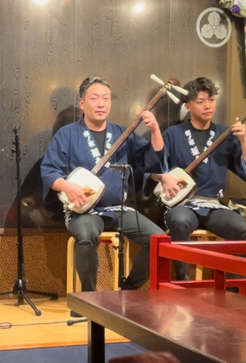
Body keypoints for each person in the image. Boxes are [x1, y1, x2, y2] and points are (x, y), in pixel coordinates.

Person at [40, 75, 166, 305]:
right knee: (86, 236)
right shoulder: (67, 134)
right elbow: (49, 172)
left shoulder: (123, 133)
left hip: (118, 209)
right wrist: (67, 187)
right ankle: (90, 298)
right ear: (81, 103)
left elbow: (150, 162)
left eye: (106, 98)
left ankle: (128, 290)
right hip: (84, 211)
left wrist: (155, 131)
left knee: (160, 240)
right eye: (95, 98)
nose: (101, 103)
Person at [157, 76, 246, 280]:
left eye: (211, 100)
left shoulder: (225, 134)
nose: (208, 106)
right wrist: (164, 178)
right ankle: (182, 279)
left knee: (245, 230)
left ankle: (232, 286)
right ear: (188, 106)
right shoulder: (173, 134)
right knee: (177, 220)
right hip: (184, 204)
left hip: (214, 205)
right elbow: (156, 168)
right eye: (201, 101)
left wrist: (244, 139)